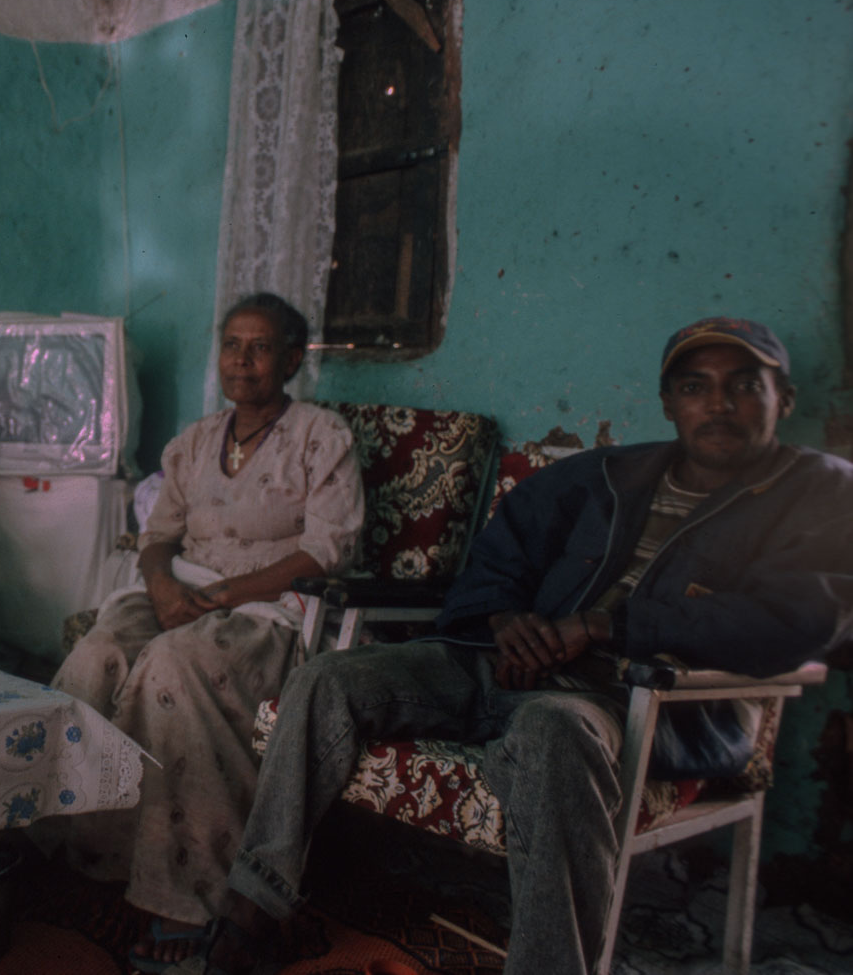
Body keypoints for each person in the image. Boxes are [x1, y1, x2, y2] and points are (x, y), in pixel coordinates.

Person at [176, 317, 853, 975]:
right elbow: (501, 553)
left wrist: (605, 628)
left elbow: (801, 619)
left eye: (745, 385)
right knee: (326, 678)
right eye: (695, 386)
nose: (719, 403)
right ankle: (254, 912)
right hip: (498, 664)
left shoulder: (821, 490)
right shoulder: (611, 472)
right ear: (668, 402)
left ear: (785, 399)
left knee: (555, 732)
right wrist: (504, 621)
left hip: (632, 701)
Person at [43, 293, 364, 973]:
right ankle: (88, 858)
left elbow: (326, 550)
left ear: (292, 359)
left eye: (260, 347)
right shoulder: (194, 442)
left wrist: (223, 595)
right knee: (97, 655)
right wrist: (163, 588)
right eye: (231, 345)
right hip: (182, 589)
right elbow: (158, 537)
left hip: (267, 607)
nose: (241, 361)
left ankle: (187, 897)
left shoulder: (321, 435)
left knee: (171, 664)